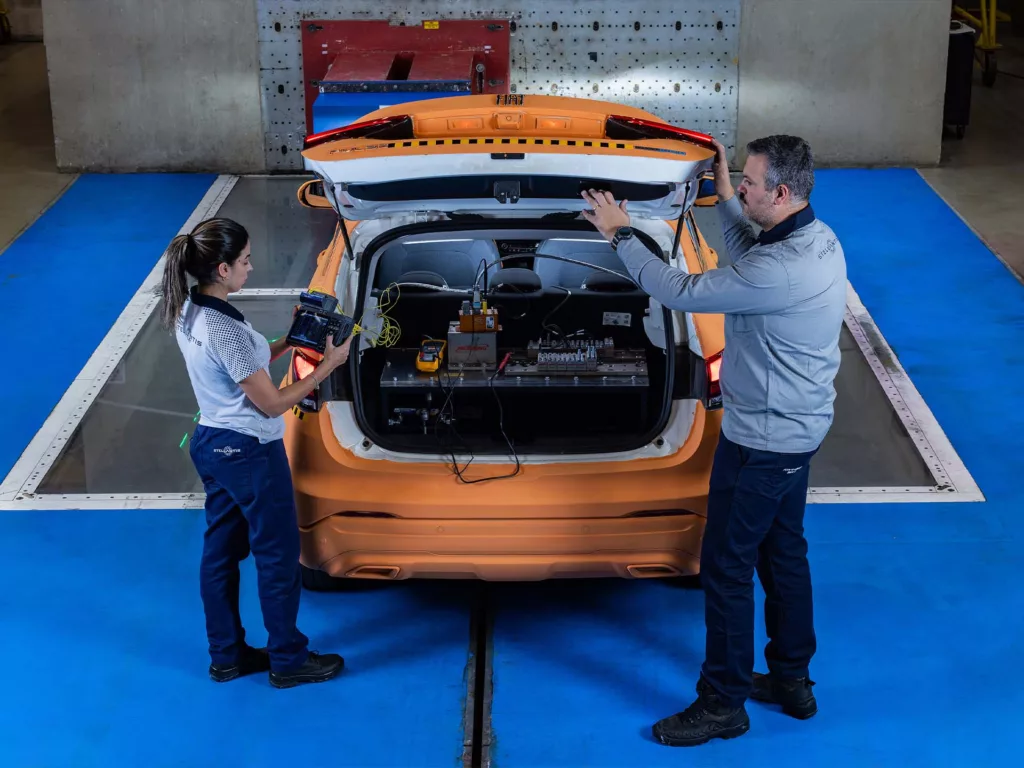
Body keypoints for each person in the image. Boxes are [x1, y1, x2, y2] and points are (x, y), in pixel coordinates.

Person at [581, 135, 846, 746]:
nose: (740, 186)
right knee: (783, 554)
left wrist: (622, 234)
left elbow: (678, 291)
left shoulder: (781, 269)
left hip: (765, 442)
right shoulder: (813, 237)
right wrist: (726, 196)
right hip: (793, 431)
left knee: (726, 567)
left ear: (782, 191)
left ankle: (723, 701)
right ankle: (791, 680)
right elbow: (749, 251)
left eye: (748, 182)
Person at [161, 217, 352, 689]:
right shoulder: (225, 329)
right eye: (244, 261)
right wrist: (327, 365)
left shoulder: (193, 309)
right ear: (222, 269)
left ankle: (226, 656)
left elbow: (244, 364)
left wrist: (291, 340)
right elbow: (271, 401)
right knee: (277, 555)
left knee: (220, 554)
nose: (251, 267)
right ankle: (288, 659)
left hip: (211, 443)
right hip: (248, 451)